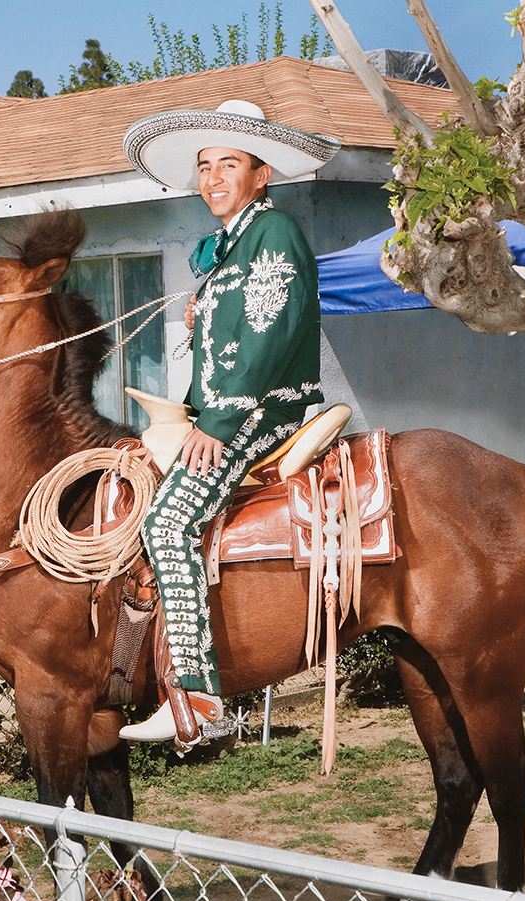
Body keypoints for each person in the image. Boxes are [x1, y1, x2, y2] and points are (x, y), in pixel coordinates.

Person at [117, 100, 340, 744]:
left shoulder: (274, 235)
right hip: (223, 407)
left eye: (229, 165)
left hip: (261, 410)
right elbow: (234, 337)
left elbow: (267, 338)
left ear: (261, 173)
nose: (212, 178)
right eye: (205, 167)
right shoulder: (233, 246)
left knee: (168, 519)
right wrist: (202, 319)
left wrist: (214, 424)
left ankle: (197, 698)